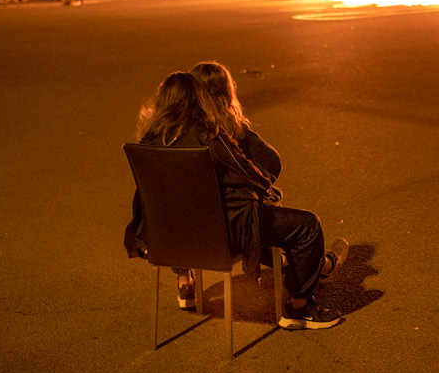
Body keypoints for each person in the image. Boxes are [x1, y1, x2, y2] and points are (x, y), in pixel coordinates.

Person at [125, 72, 348, 329]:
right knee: (307, 226)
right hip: (222, 237)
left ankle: (186, 283)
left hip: (171, 241)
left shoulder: (148, 143)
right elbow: (246, 172)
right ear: (197, 99)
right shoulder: (209, 135)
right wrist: (265, 189)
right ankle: (300, 307)